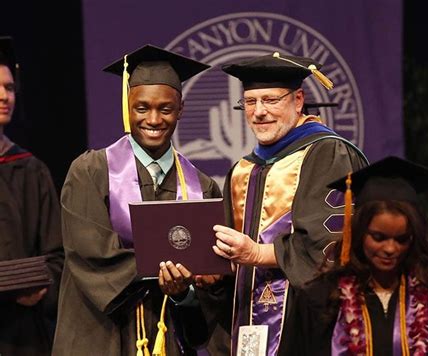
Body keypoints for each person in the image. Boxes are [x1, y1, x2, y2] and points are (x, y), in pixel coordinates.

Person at [52, 44, 222, 356]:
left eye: (166, 109)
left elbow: (210, 289)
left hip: (166, 338)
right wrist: (165, 271)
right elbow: (90, 255)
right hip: (99, 337)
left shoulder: (203, 188)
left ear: (181, 109)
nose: (154, 119)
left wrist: (185, 292)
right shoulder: (90, 172)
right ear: (127, 107)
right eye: (142, 108)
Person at [212, 52, 369, 355]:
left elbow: (331, 248)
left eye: (270, 100)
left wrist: (257, 253)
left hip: (307, 328)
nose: (259, 112)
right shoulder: (243, 170)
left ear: (298, 101)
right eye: (250, 102)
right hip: (247, 329)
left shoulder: (328, 153)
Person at [293, 156, 428, 355]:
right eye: (379, 237)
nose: (390, 248)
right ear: (359, 233)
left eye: (402, 239)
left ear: (414, 237)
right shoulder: (321, 298)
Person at [0, 36, 64, 355]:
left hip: (21, 337)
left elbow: (57, 257)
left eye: (10, 88)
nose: (4, 96)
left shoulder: (30, 169)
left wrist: (38, 286)